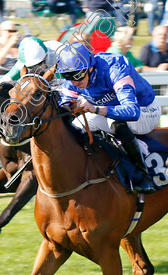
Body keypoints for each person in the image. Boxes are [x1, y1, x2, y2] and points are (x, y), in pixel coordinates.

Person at [55, 42, 160, 193]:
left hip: (146, 111)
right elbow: (64, 106)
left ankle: (142, 176)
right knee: (74, 128)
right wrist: (71, 107)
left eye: (77, 75)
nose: (74, 82)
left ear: (90, 67)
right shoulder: (74, 75)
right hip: (112, 112)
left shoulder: (115, 67)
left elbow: (132, 111)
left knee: (115, 123)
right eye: (67, 76)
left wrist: (95, 108)